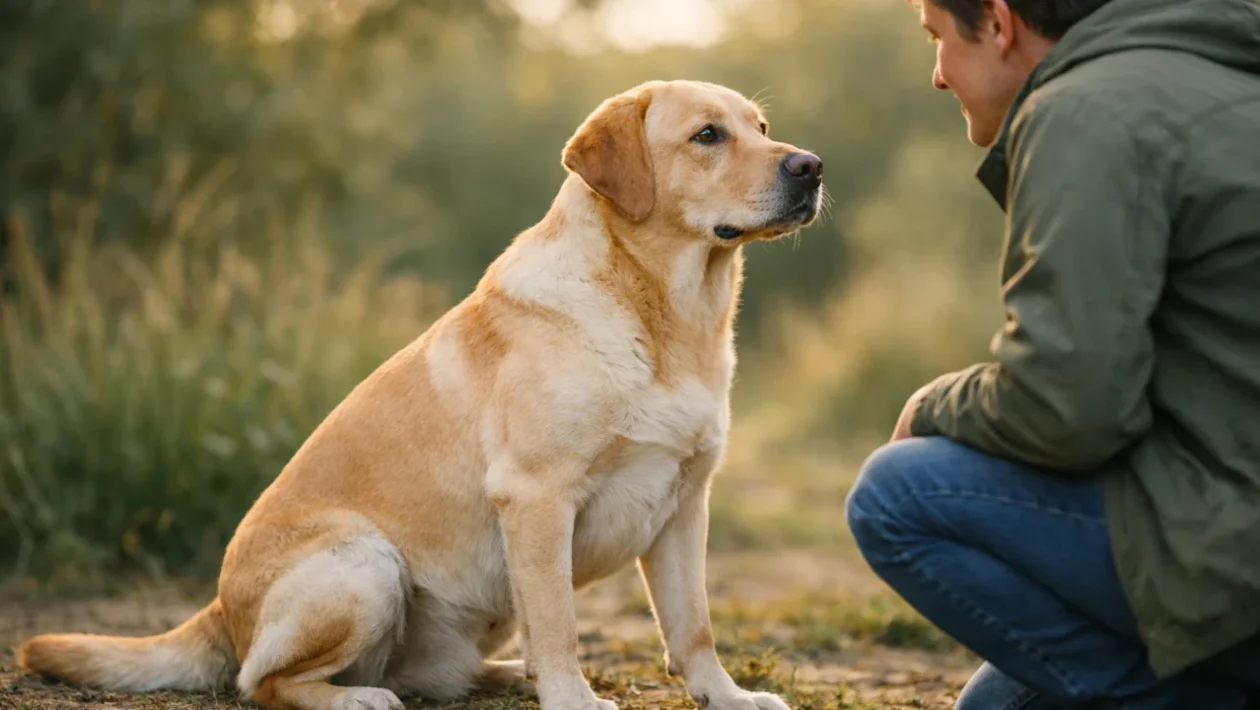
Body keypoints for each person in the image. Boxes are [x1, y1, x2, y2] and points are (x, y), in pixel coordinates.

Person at [844, 0, 1260, 708]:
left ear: (1000, 24)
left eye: (938, 38)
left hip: (1235, 550)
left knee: (899, 493)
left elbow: (1070, 407)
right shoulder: (1212, 81)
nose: (937, 76)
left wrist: (932, 405)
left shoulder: (1086, 111)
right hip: (1224, 497)